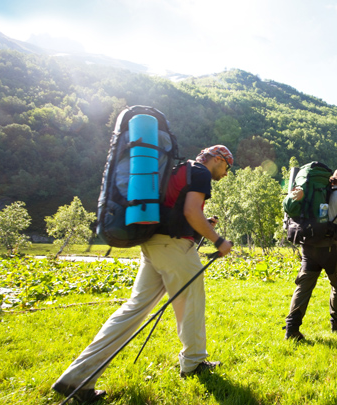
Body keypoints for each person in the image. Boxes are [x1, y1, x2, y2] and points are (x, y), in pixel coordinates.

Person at [52, 145, 234, 403]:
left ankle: (76, 377)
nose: (226, 172)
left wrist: (203, 224)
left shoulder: (178, 169)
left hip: (152, 244)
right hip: (174, 248)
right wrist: (218, 240)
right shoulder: (201, 173)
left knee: (133, 309)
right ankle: (193, 363)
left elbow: (178, 208)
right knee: (191, 305)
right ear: (217, 159)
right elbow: (191, 212)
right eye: (227, 166)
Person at [285, 168, 337, 341]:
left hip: (308, 246)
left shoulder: (317, 192)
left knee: (303, 287)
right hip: (328, 247)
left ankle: (292, 329)